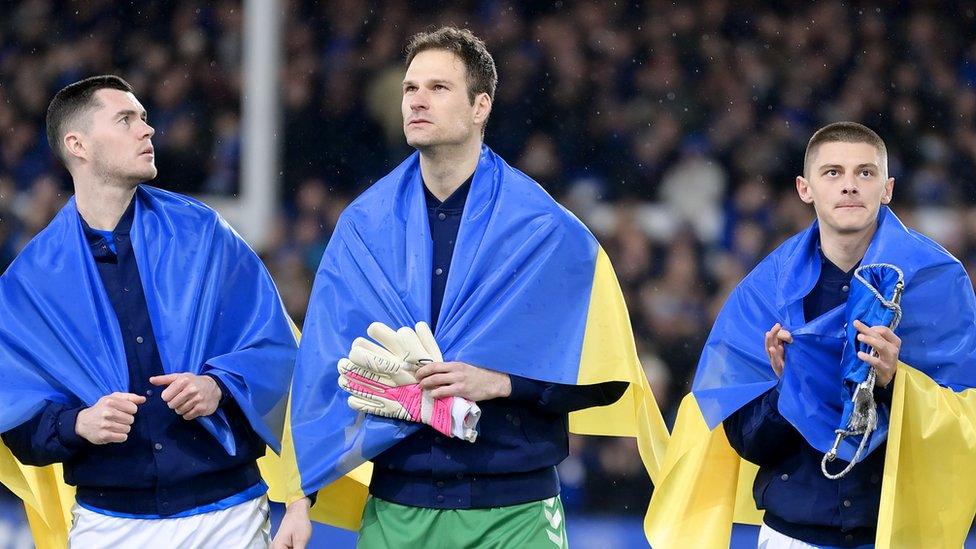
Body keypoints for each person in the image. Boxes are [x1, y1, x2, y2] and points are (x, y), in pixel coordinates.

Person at [272, 27, 668, 548]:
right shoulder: (362, 227)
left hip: (515, 510)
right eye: (410, 89)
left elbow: (605, 374)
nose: (417, 100)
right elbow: (323, 367)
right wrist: (300, 500)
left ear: (480, 106)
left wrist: (501, 382)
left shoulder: (545, 229)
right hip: (398, 506)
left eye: (438, 88)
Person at [0, 75, 298, 548]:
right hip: (110, 522)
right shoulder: (30, 279)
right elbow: (13, 411)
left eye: (143, 116)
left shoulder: (204, 233)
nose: (148, 129)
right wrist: (76, 424)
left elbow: (274, 347)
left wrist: (218, 386)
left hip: (228, 514)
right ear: (77, 144)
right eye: (126, 119)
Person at [646, 122, 976, 547]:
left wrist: (897, 385)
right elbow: (749, 442)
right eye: (833, 173)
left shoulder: (935, 281)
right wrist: (787, 386)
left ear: (887, 188)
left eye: (865, 173)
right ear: (805, 188)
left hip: (895, 534)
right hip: (792, 534)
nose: (850, 186)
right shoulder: (765, 290)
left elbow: (966, 426)